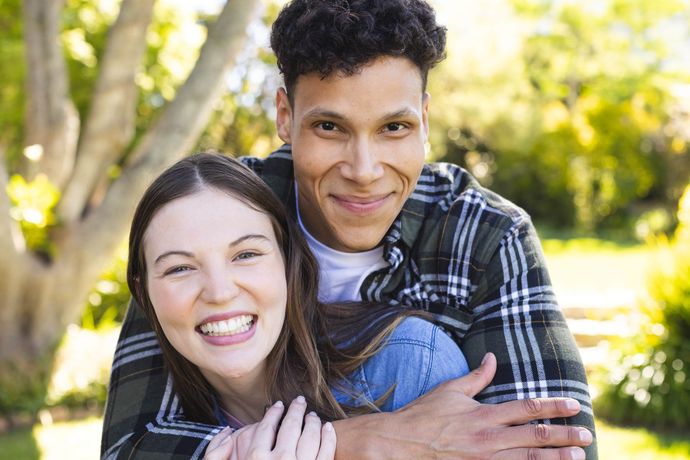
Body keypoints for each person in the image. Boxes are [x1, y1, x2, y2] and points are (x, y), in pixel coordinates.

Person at [102, 0, 597, 458]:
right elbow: (130, 442)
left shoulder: (484, 232)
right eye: (330, 128)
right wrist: (351, 440)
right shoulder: (220, 212)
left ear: (424, 120)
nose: (364, 169)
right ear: (284, 116)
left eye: (393, 128)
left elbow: (554, 441)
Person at [126, 153, 470, 459]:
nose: (219, 292)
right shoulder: (161, 431)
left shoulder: (411, 362)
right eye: (179, 268)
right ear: (144, 295)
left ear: (288, 264)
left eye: (245, 255)